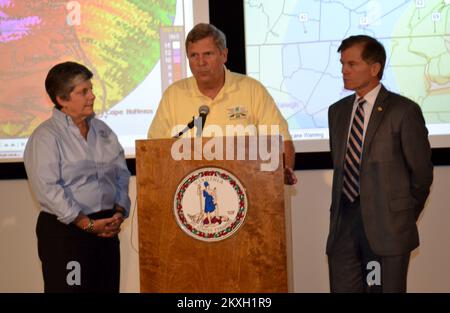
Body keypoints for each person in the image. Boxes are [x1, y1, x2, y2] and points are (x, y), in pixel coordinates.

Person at [326, 35, 433, 292]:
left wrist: (400, 216)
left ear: (375, 69)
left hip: (387, 230)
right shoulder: (337, 111)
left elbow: (421, 175)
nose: (344, 70)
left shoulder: (403, 111)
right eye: (342, 64)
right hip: (343, 228)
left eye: (352, 64)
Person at [24, 61, 131, 292]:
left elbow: (122, 174)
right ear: (62, 100)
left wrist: (119, 212)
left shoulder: (103, 131)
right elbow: (49, 189)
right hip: (67, 234)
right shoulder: (45, 137)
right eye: (83, 92)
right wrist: (87, 224)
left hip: (106, 230)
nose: (92, 96)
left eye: (91, 89)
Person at [148, 23, 297, 185]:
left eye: (208, 54)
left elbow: (282, 142)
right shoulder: (173, 96)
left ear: (224, 55)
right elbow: (152, 151)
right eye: (194, 56)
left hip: (250, 194)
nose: (201, 62)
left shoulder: (252, 90)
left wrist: (283, 174)